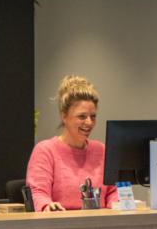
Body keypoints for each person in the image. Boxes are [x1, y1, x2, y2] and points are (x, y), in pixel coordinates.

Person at [26, 75, 118, 212]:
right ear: (64, 116)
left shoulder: (102, 150)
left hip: (99, 224)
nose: (89, 122)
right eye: (82, 116)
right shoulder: (45, 151)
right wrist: (47, 206)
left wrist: (120, 203)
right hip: (59, 223)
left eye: (93, 116)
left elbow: (113, 192)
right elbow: (37, 193)